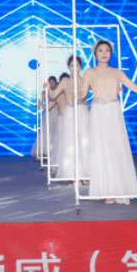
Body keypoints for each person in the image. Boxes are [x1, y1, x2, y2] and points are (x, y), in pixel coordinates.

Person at [79, 40, 137, 204]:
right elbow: (83, 92)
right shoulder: (89, 72)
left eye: (107, 50)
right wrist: (77, 95)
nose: (104, 53)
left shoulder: (117, 72)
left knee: (116, 147)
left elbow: (135, 88)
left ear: (111, 53)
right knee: (101, 149)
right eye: (100, 50)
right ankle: (106, 190)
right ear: (95, 54)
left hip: (113, 111)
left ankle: (117, 188)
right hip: (98, 112)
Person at [45, 56, 91, 184]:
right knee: (72, 144)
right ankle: (75, 175)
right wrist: (48, 88)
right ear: (69, 67)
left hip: (83, 111)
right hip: (70, 112)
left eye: (77, 65)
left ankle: (86, 174)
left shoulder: (86, 80)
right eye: (72, 65)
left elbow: (98, 89)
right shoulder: (65, 82)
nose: (74, 68)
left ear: (81, 66)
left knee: (84, 143)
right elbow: (53, 95)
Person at [30, 76, 60, 158]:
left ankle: (55, 150)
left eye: (53, 82)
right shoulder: (44, 92)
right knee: (46, 131)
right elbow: (40, 101)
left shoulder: (58, 91)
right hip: (48, 113)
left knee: (56, 131)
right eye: (50, 82)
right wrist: (39, 104)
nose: (51, 84)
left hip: (57, 112)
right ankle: (44, 150)